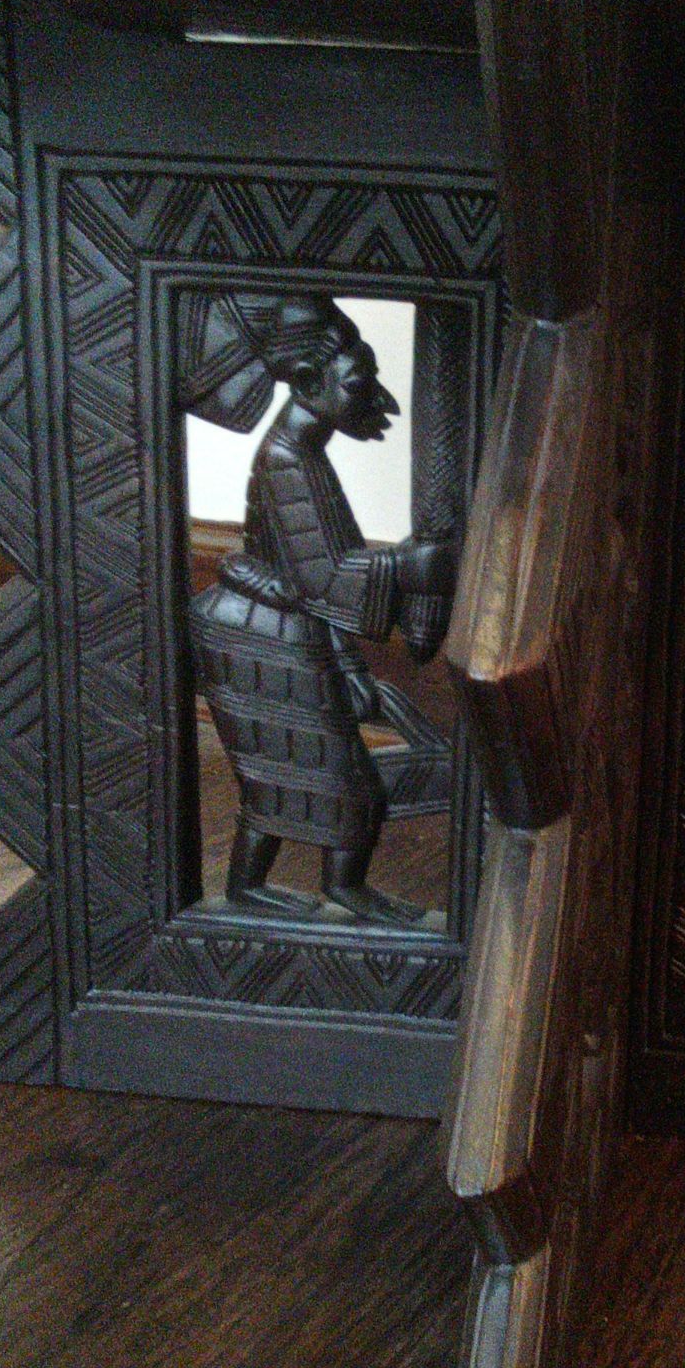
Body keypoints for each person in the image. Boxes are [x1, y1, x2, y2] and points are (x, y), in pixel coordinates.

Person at [189, 291, 457, 923]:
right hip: (258, 634)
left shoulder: (302, 455)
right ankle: (313, 888)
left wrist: (351, 662)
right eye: (359, 384)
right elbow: (323, 577)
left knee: (298, 775)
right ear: (310, 382)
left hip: (285, 630)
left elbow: (316, 577)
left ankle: (309, 886)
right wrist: (406, 565)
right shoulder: (288, 461)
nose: (378, 399)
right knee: (314, 778)